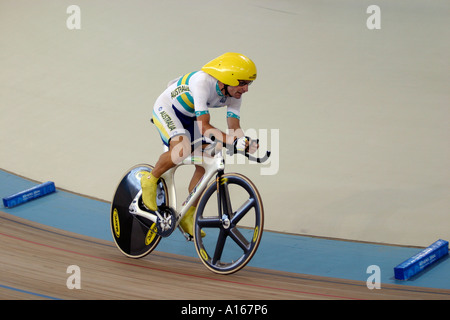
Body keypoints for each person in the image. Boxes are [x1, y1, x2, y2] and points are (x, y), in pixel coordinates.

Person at [141, 52, 259, 237]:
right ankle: (149, 179)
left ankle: (188, 212)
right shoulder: (202, 83)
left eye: (248, 84)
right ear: (228, 78)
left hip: (191, 117)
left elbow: (234, 128)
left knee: (209, 157)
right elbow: (204, 127)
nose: (245, 89)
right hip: (168, 109)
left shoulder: (234, 94)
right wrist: (232, 141)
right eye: (243, 83)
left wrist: (244, 142)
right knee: (181, 149)